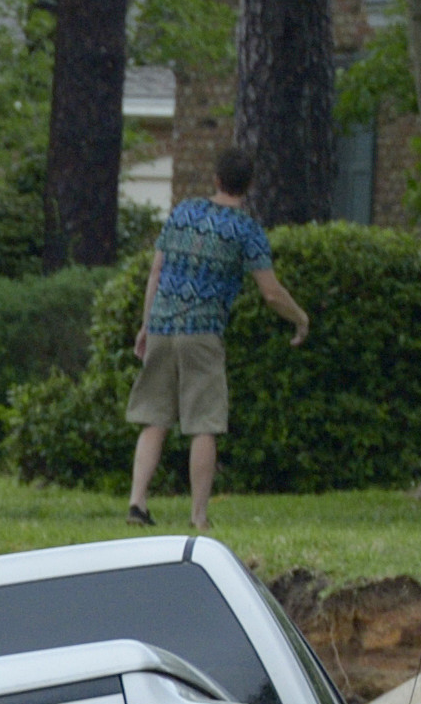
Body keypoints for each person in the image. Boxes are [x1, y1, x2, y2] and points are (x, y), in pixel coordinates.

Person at [126, 144, 311, 535]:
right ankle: (198, 516)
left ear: (216, 179)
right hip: (202, 332)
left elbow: (156, 272)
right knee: (203, 424)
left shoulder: (182, 212)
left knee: (154, 418)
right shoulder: (246, 230)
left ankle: (137, 502)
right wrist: (300, 318)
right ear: (249, 185)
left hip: (161, 325)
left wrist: (146, 325)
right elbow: (271, 293)